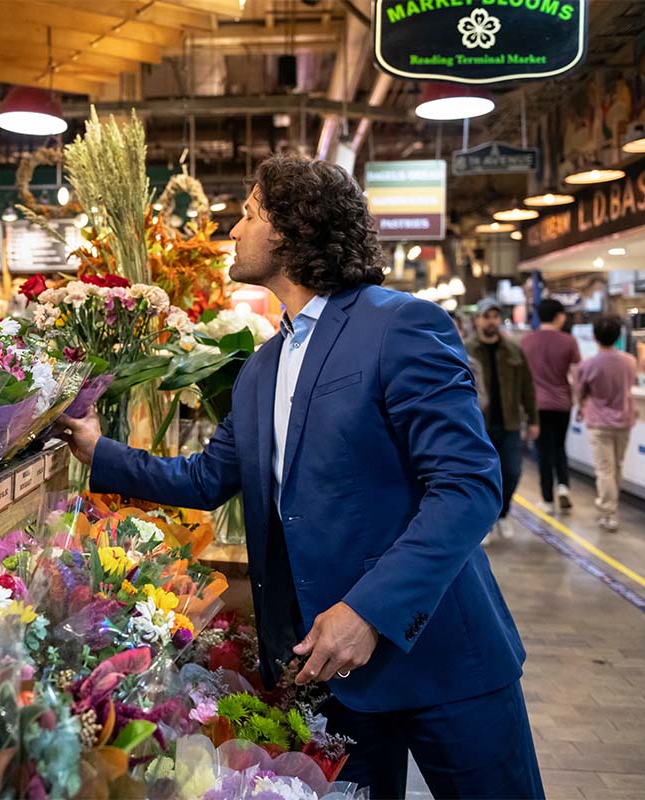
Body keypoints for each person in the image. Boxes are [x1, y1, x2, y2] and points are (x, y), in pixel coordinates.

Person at [59, 156, 542, 799]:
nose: (233, 229)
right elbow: (206, 478)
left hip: (443, 660)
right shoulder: (261, 368)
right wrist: (99, 450)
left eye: (250, 213)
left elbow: (467, 485)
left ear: (290, 229)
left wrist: (369, 611)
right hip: (332, 673)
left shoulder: (398, 325)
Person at [465, 300, 540, 541]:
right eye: (487, 316)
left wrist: (533, 419)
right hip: (478, 426)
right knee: (481, 477)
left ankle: (503, 514)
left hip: (509, 423)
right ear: (478, 319)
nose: (491, 321)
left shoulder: (514, 351)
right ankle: (484, 524)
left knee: (512, 471)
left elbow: (527, 387)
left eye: (495, 316)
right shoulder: (465, 350)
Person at [575, 316, 638, 531]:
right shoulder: (630, 361)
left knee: (605, 469)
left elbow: (580, 391)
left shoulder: (589, 364)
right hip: (624, 420)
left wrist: (581, 408)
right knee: (617, 467)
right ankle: (611, 507)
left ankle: (608, 512)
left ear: (594, 337)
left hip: (599, 422)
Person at [521, 298, 581, 514]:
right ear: (559, 316)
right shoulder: (569, 341)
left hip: (537, 405)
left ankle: (547, 499)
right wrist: (578, 400)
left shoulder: (527, 342)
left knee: (543, 451)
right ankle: (563, 486)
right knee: (559, 447)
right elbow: (575, 375)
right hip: (562, 403)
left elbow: (523, 377)